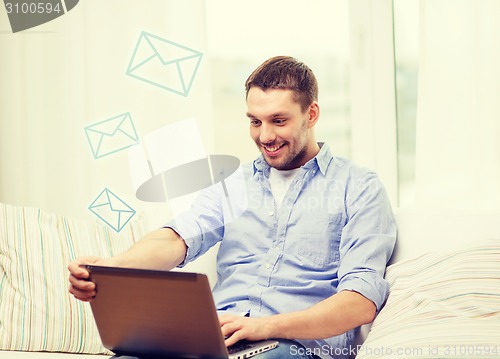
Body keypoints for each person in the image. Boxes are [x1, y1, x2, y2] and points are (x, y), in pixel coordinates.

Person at [68, 56, 396, 359]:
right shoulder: (234, 184)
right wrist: (111, 269)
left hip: (295, 349)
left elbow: (360, 302)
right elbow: (177, 239)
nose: (265, 136)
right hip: (217, 341)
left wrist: (264, 327)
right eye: (255, 121)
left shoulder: (358, 187)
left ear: (311, 115)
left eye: (278, 120)